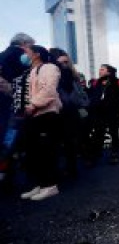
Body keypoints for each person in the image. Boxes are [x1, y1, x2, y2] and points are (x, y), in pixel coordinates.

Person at [20, 45, 62, 201]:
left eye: (27, 52)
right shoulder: (31, 71)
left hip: (47, 114)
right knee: (34, 151)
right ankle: (40, 184)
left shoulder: (49, 68)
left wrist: (33, 105)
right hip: (35, 115)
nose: (24, 55)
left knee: (46, 151)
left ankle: (50, 186)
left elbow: (50, 89)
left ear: (37, 54)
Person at [49, 48, 89, 177]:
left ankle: (70, 168)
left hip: (65, 110)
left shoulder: (62, 72)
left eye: (66, 61)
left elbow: (68, 92)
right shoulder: (71, 73)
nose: (65, 64)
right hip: (71, 109)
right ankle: (73, 167)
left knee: (67, 141)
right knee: (70, 140)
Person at [0, 33, 35, 152]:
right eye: (31, 46)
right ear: (24, 44)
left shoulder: (2, 55)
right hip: (14, 101)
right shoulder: (22, 56)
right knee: (12, 132)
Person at [88, 64, 119, 165]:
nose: (100, 71)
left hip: (113, 112)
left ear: (109, 72)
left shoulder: (117, 82)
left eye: (102, 69)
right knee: (98, 133)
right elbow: (92, 96)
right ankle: (94, 155)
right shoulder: (96, 83)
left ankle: (115, 154)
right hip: (99, 112)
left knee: (114, 133)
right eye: (99, 69)